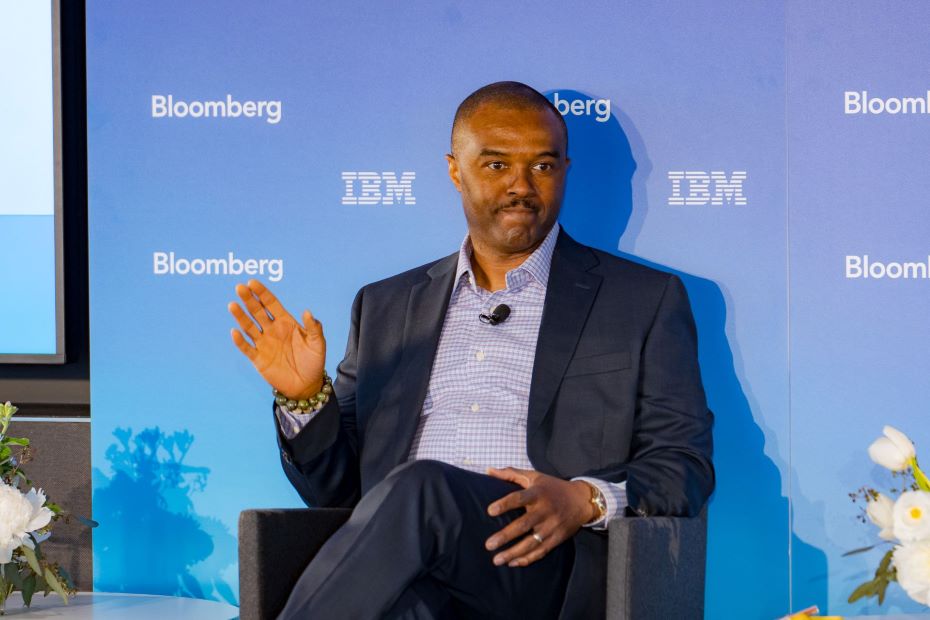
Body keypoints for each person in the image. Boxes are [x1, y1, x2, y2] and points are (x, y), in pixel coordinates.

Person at [229, 81, 714, 619]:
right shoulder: (386, 306)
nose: (521, 186)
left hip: (541, 562)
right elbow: (337, 493)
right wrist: (304, 400)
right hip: (408, 564)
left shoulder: (641, 300)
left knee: (421, 486)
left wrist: (584, 499)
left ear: (566, 171)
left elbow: (684, 464)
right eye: (496, 166)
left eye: (543, 167)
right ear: (455, 170)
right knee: (407, 600)